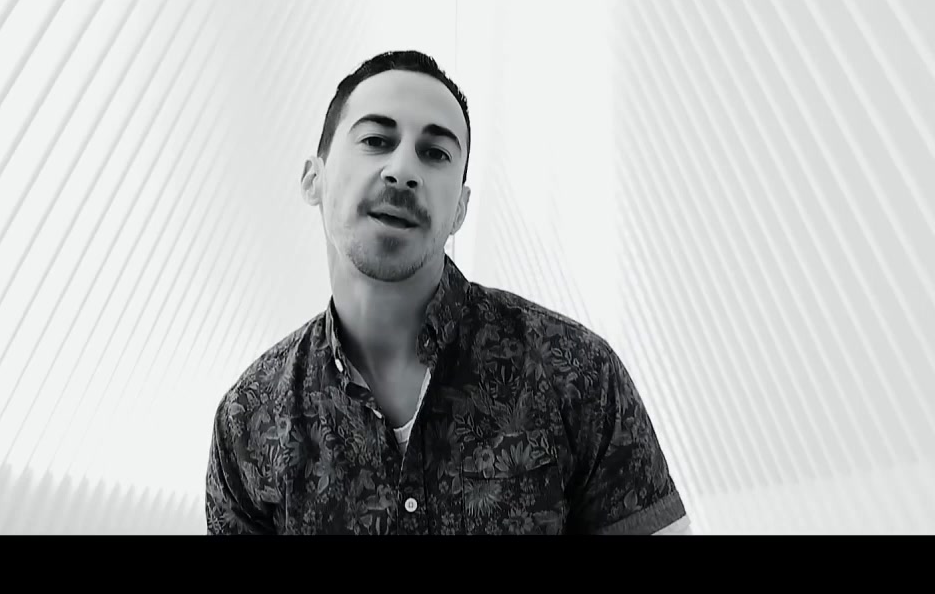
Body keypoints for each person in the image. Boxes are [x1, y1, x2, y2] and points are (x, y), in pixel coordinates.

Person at [205, 50, 689, 535]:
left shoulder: (578, 374)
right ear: (314, 179)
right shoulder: (249, 421)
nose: (402, 170)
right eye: (376, 140)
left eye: (435, 153)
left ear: (460, 207)